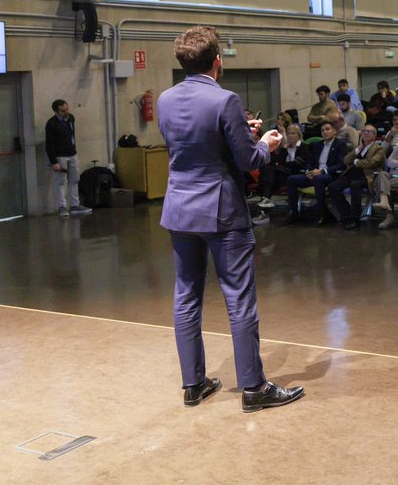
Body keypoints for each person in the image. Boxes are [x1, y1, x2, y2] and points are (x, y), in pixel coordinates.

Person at [156, 25, 302, 412]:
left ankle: (194, 383)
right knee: (239, 299)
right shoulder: (226, 100)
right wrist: (265, 144)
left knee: (186, 296)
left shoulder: (166, 100)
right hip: (221, 211)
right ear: (218, 62)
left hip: (180, 209)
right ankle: (254, 388)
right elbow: (248, 160)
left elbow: (189, 145)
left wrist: (240, 131)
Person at [285, 118, 344, 224]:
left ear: (334, 131)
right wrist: (308, 171)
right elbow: (310, 161)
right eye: (322, 130)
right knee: (291, 179)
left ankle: (322, 215)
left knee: (318, 178)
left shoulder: (340, 144)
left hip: (330, 175)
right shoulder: (317, 145)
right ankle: (293, 213)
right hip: (315, 174)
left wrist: (322, 172)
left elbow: (341, 165)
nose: (325, 132)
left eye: (327, 129)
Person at [327, 126, 385, 229]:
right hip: (351, 174)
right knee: (333, 187)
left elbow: (372, 163)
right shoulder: (358, 148)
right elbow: (346, 161)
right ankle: (347, 213)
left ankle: (355, 218)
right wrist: (358, 149)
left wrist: (357, 162)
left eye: (369, 131)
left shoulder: (379, 149)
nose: (366, 133)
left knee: (355, 185)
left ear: (374, 135)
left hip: (366, 176)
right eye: (364, 131)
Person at [45, 99, 91, 217]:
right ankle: (62, 207)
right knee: (60, 182)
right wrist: (54, 161)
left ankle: (75, 205)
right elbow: (49, 144)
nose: (66, 112)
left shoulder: (71, 118)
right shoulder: (51, 124)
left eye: (67, 109)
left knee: (74, 180)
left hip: (72, 154)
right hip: (60, 156)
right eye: (62, 111)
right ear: (56, 111)